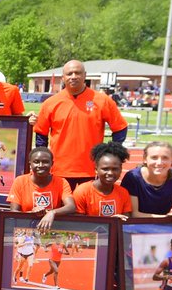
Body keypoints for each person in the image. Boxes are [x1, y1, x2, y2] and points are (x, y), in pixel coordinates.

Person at [33, 59, 128, 188]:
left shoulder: (102, 100)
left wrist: (111, 153)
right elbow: (41, 135)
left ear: (85, 75)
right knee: (62, 207)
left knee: (89, 208)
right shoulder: (50, 103)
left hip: (92, 168)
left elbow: (120, 128)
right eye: (69, 73)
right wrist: (43, 163)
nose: (73, 77)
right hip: (60, 170)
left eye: (77, 73)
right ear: (63, 77)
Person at [7, 147, 75, 230]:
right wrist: (32, 213)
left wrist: (52, 212)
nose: (40, 165)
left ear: (52, 163)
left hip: (52, 230)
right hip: (26, 229)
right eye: (36, 162)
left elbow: (71, 206)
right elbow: (13, 211)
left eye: (45, 162)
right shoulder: (20, 181)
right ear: (30, 164)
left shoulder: (61, 182)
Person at [71, 141, 133, 219]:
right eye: (105, 169)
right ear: (96, 169)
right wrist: (108, 222)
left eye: (115, 169)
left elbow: (126, 220)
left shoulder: (123, 193)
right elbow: (78, 222)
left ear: (121, 169)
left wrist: (118, 221)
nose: (110, 173)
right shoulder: (82, 192)